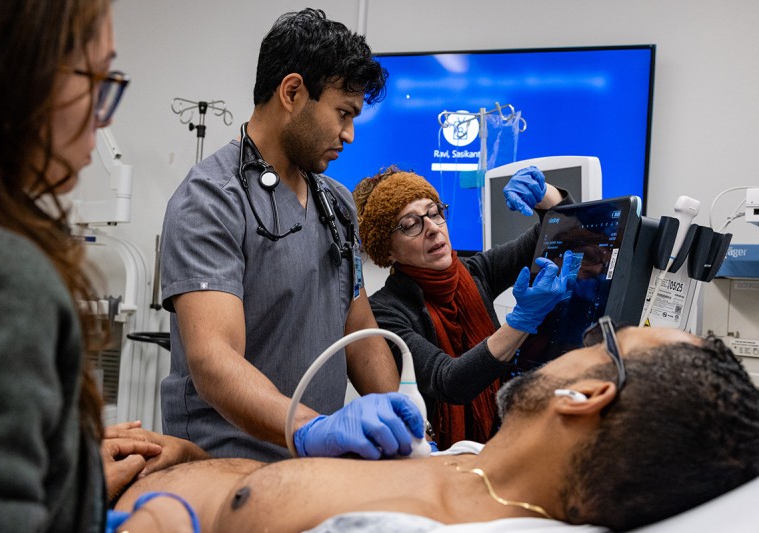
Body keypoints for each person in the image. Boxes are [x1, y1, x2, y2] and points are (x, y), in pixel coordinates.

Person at [112, 323, 759, 532]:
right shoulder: (469, 460)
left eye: (602, 338)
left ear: (587, 393)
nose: (580, 341)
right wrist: (185, 456)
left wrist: (160, 510)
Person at [0, 1, 197, 530]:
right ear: (22, 74)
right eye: (96, 77)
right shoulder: (1, 278)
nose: (105, 112)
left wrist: (66, 461)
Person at [159, 8, 410, 462]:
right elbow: (214, 360)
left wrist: (406, 421)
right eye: (343, 113)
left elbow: (359, 327)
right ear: (292, 92)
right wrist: (310, 429)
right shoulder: (211, 200)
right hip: (227, 466)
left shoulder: (337, 203)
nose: (350, 135)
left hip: (313, 464)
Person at [352, 166, 577, 449]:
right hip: (444, 462)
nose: (433, 229)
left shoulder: (476, 272)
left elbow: (559, 234)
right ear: (388, 251)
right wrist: (521, 320)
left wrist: (547, 197)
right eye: (411, 225)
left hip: (507, 439)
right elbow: (449, 381)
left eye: (434, 213)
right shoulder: (385, 312)